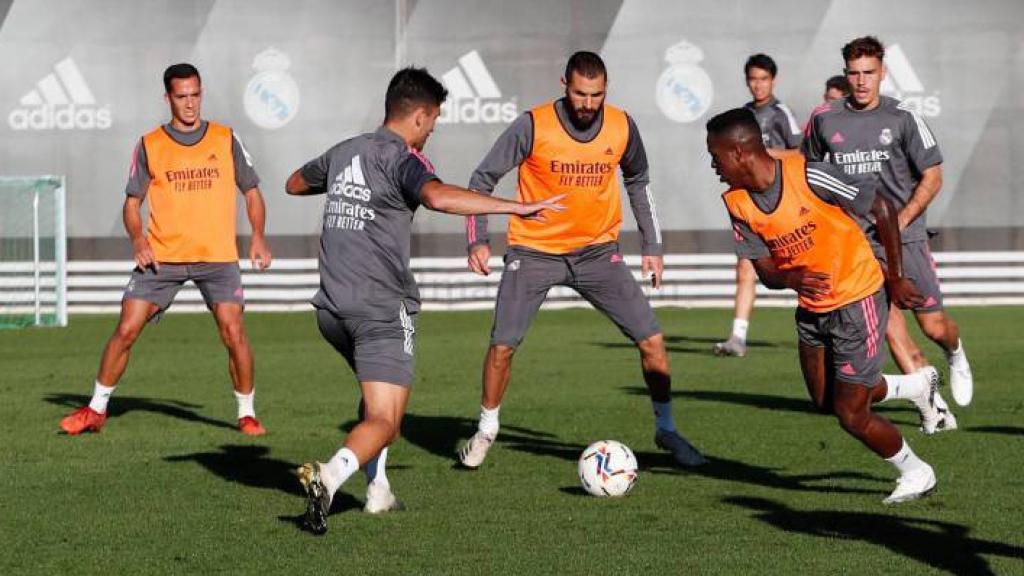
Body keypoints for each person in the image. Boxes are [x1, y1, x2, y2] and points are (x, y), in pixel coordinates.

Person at [286, 67, 564, 535]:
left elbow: (294, 183)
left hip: (331, 310)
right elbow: (436, 197)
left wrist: (345, 188)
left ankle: (378, 492)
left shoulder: (345, 151)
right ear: (418, 115)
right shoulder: (404, 158)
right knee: (387, 422)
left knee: (376, 401)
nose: (432, 130)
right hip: (379, 311)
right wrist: (515, 207)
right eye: (432, 121)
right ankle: (329, 477)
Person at [457, 51, 705, 470]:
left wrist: (653, 247)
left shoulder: (622, 125)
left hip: (597, 252)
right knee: (502, 347)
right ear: (564, 85)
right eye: (580, 94)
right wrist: (476, 239)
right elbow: (481, 180)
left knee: (653, 342)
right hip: (534, 250)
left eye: (597, 95)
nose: (589, 103)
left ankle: (667, 429)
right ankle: (486, 430)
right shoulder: (533, 125)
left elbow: (639, 181)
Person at [707, 107, 953, 504]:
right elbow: (765, 271)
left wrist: (894, 276)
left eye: (715, 156)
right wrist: (789, 278)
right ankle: (916, 385)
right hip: (812, 307)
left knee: (851, 414)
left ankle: (917, 472)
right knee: (825, 400)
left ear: (738, 152)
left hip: (859, 299)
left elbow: (883, 208)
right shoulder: (738, 203)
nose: (713, 166)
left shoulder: (807, 173)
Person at [59, 63, 272, 436]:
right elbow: (131, 204)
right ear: (168, 98)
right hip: (163, 257)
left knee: (233, 331)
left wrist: (257, 236)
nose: (190, 104)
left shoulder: (226, 138)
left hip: (217, 257)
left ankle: (247, 414)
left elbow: (252, 192)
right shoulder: (150, 144)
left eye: (195, 95)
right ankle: (95, 409)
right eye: (181, 96)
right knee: (126, 328)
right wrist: (139, 241)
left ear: (201, 92)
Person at [803, 36, 973, 407]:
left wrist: (898, 221)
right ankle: (933, 404)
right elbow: (809, 176)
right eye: (854, 73)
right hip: (854, 245)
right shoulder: (823, 119)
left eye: (869, 73)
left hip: (905, 238)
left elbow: (934, 177)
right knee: (887, 329)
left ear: (884, 73)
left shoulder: (904, 118)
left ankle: (955, 352)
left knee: (932, 326)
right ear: (846, 74)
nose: (861, 81)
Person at [715, 54, 803, 358]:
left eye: (763, 78)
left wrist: (764, 154)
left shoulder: (781, 113)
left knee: (803, 264)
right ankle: (737, 337)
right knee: (746, 265)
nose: (758, 85)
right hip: (752, 204)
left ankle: (828, 322)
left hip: (784, 204)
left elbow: (800, 153)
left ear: (773, 81)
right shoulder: (742, 115)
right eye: (753, 79)